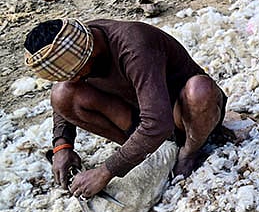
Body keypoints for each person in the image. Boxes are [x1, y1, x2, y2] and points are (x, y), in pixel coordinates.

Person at [23, 18, 227, 199]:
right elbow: (64, 97)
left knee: (199, 90)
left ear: (91, 53)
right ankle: (152, 151)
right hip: (140, 116)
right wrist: (62, 145)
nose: (76, 80)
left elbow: (159, 122)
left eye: (76, 74)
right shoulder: (82, 44)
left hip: (181, 115)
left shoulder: (135, 47)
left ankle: (189, 153)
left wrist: (106, 171)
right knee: (62, 94)